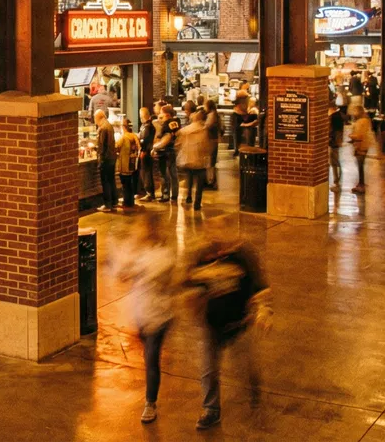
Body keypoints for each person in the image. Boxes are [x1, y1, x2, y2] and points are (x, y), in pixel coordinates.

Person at [186, 234, 271, 431]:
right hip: (212, 326)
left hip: (239, 324)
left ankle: (254, 392)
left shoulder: (243, 256)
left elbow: (260, 286)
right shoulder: (203, 255)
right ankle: (211, 410)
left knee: (244, 365)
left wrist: (262, 311)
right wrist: (193, 298)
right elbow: (190, 283)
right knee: (208, 370)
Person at [110, 216, 180, 424]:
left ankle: (150, 403)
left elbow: (160, 277)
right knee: (146, 349)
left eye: (140, 228)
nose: (136, 231)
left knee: (151, 357)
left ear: (150, 231)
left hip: (160, 316)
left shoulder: (162, 254)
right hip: (142, 313)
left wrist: (136, 267)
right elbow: (122, 274)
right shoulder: (138, 253)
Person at [175, 111, 211, 212]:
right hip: (200, 160)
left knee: (189, 179)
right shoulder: (204, 130)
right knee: (199, 184)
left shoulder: (185, 130)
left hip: (188, 160)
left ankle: (189, 196)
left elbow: (178, 144)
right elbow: (206, 146)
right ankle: (197, 203)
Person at [346, 101, 374, 194]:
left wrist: (351, 136)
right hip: (364, 145)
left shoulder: (361, 122)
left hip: (360, 146)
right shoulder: (366, 120)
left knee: (360, 166)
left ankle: (361, 185)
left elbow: (359, 135)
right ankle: (361, 184)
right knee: (360, 166)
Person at [94, 109, 118, 213]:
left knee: (106, 182)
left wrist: (95, 149)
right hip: (112, 157)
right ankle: (114, 202)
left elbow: (101, 146)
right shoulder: (109, 126)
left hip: (105, 159)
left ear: (98, 118)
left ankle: (108, 205)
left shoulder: (102, 128)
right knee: (111, 180)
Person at [116, 117, 142, 209]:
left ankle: (127, 202)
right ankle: (131, 201)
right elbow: (139, 148)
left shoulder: (123, 138)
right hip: (132, 164)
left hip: (124, 164)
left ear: (123, 127)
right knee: (130, 183)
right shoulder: (134, 136)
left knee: (125, 184)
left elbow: (116, 147)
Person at [328, 100, 348, 188]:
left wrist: (330, 138)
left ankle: (337, 180)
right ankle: (338, 179)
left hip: (334, 141)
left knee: (334, 162)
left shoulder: (333, 116)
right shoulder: (340, 116)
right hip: (338, 140)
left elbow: (332, 130)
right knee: (336, 161)